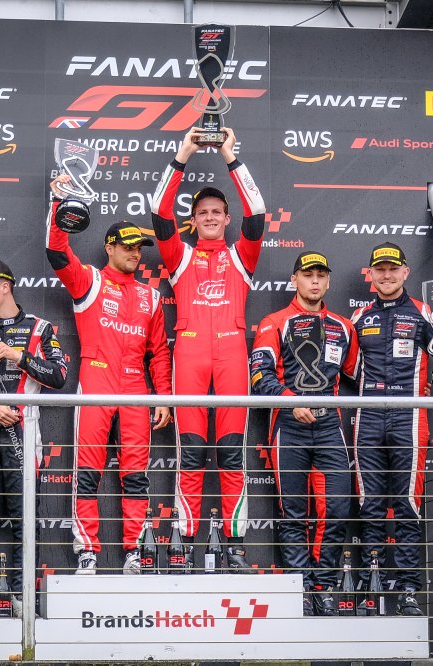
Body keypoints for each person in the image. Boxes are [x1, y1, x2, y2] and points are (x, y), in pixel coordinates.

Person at [149, 126, 266, 570]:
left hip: (233, 357)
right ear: (194, 220)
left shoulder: (241, 255)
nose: (212, 217)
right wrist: (183, 154)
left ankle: (234, 548)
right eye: (203, 212)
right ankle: (183, 545)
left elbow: (258, 211)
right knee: (192, 454)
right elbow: (159, 212)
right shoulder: (179, 256)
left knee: (233, 453)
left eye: (218, 211)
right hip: (191, 358)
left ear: (227, 218)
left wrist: (231, 157)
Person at [46, 177, 172, 574]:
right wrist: (58, 202)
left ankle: (134, 551)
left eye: (139, 247)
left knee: (136, 476)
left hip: (136, 388)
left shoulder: (151, 295)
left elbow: (159, 352)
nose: (135, 253)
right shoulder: (90, 280)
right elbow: (56, 251)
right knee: (88, 473)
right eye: (128, 246)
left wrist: (163, 397)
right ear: (109, 247)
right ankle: (87, 551)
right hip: (96, 380)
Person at [350, 242, 433, 616]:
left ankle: (407, 591)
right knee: (369, 503)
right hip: (367, 417)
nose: (386, 275)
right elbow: (345, 371)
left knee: (408, 504)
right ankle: (369, 587)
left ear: (405, 272)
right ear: (371, 274)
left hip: (410, 416)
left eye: (392, 268)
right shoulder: (358, 317)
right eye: (379, 269)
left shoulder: (425, 312)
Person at [250, 252, 359, 616]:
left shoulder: (344, 326)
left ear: (328, 281)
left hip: (329, 427)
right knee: (294, 513)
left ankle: (323, 586)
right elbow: (259, 376)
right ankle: (300, 588)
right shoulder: (274, 322)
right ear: (294, 280)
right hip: (288, 426)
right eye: (308, 274)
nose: (314, 281)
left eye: (320, 275)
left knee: (337, 510)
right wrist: (289, 401)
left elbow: (360, 374)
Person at [0, 257, 67, 613]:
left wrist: (19, 356)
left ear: (4, 287)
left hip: (24, 433)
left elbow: (58, 376)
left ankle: (21, 598)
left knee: (25, 521)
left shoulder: (41, 328)